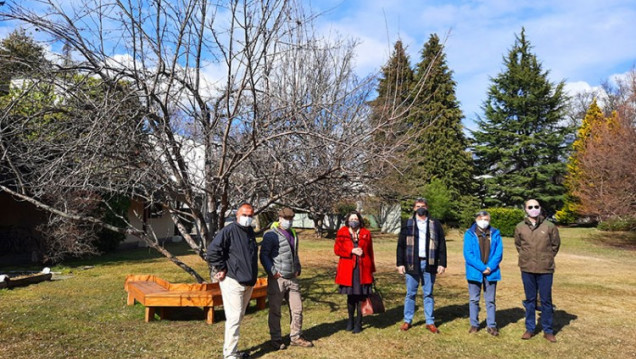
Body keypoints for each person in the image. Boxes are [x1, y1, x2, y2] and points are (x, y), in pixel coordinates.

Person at [206, 203, 258, 359]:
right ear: (237, 215)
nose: (247, 218)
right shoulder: (228, 231)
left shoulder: (250, 232)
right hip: (233, 281)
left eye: (250, 215)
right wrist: (221, 268)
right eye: (244, 215)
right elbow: (212, 252)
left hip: (248, 282)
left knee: (239, 317)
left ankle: (233, 351)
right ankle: (229, 354)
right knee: (234, 318)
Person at [259, 207, 313, 350]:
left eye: (290, 219)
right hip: (278, 279)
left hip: (292, 278)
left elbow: (295, 253)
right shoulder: (271, 235)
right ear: (280, 218)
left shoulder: (293, 233)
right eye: (286, 219)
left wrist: (298, 267)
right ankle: (276, 338)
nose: (288, 222)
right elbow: (264, 255)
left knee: (297, 309)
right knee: (275, 310)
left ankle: (296, 336)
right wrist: (273, 272)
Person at [396, 198, 447, 333]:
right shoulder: (407, 224)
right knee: (410, 293)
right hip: (412, 262)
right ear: (414, 208)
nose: (420, 208)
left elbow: (442, 244)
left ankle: (430, 321)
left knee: (428, 293)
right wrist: (400, 263)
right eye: (418, 206)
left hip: (429, 262)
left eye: (423, 206)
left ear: (427, 207)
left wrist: (442, 263)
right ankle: (407, 320)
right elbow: (401, 245)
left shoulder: (435, 224)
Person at [514, 199, 561, 343]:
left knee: (546, 300)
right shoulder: (520, 227)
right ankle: (530, 328)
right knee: (530, 299)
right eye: (530, 207)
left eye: (536, 206)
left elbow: (555, 245)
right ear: (525, 209)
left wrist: (545, 257)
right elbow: (518, 245)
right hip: (527, 268)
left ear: (540, 208)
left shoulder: (549, 226)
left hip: (545, 268)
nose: (533, 209)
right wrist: (527, 257)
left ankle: (548, 330)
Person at [334, 211, 376, 334]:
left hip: (363, 269)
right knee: (350, 297)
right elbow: (337, 250)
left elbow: (370, 252)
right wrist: (351, 250)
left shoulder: (366, 233)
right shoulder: (342, 232)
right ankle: (350, 321)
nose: (354, 221)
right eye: (351, 218)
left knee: (360, 297)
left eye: (356, 218)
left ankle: (359, 322)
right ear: (347, 220)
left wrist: (371, 271)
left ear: (359, 220)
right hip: (348, 269)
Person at [463, 210, 503, 336]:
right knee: (474, 299)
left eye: (486, 219)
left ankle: (491, 325)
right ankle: (474, 324)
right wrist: (482, 267)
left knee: (490, 300)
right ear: (476, 220)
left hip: (491, 272)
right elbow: (468, 254)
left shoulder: (495, 233)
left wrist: (490, 267)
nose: (484, 221)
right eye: (481, 219)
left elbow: (498, 253)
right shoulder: (469, 234)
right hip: (475, 271)